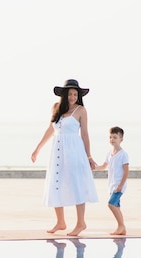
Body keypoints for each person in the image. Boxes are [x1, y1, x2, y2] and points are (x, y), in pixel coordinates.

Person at [31, 79, 98, 236]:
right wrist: (37, 149)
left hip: (74, 151)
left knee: (76, 184)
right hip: (57, 152)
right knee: (56, 183)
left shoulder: (81, 110)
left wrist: (89, 156)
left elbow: (85, 134)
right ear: (64, 95)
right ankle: (60, 222)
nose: (73, 97)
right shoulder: (56, 108)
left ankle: (81, 223)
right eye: (70, 94)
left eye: (75, 94)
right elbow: (50, 129)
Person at [94, 126, 129, 235]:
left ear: (121, 139)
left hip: (119, 186)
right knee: (117, 206)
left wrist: (120, 185)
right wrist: (93, 167)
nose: (112, 139)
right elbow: (103, 166)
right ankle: (122, 228)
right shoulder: (109, 153)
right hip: (112, 185)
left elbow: (126, 171)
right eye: (110, 137)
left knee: (111, 204)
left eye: (115, 137)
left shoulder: (123, 154)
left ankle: (121, 226)